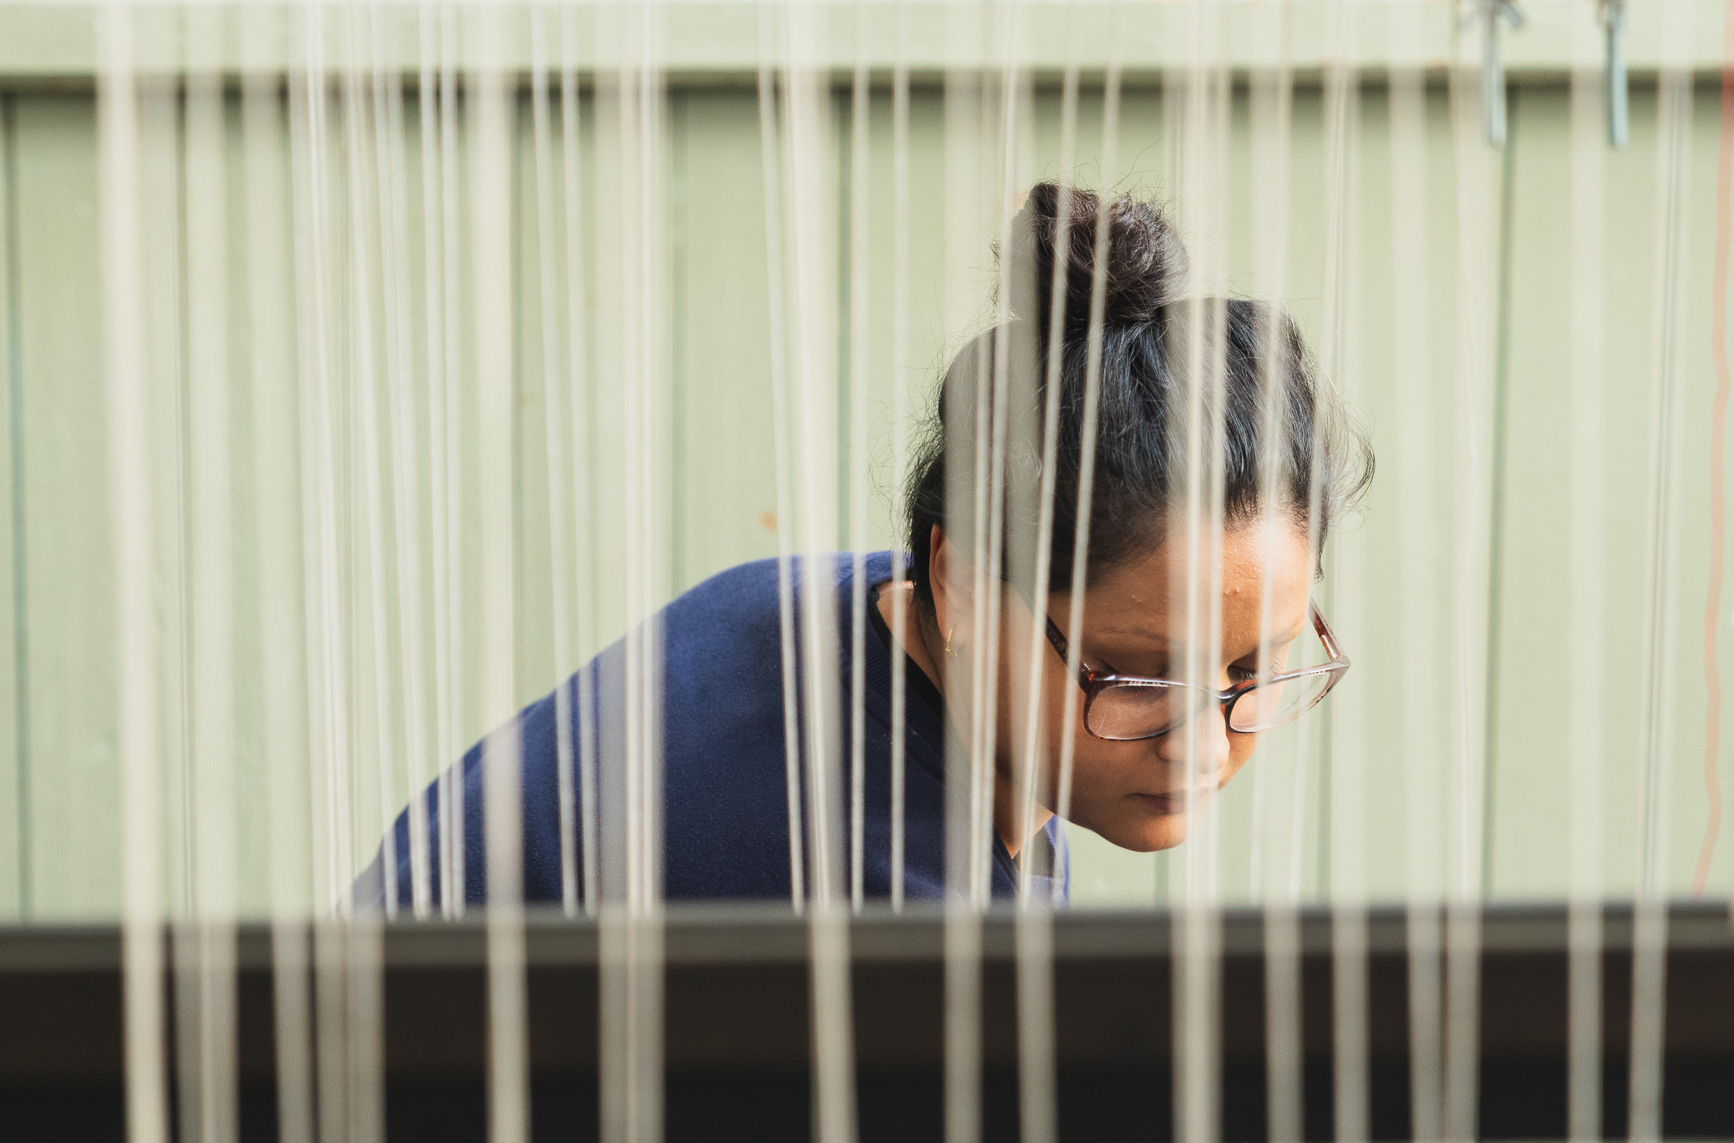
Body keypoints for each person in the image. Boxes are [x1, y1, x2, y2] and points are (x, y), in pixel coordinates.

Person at [352, 182, 1372, 914]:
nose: (1205, 742)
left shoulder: (826, 603)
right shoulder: (869, 902)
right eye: (1143, 677)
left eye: (1253, 666)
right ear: (962, 582)